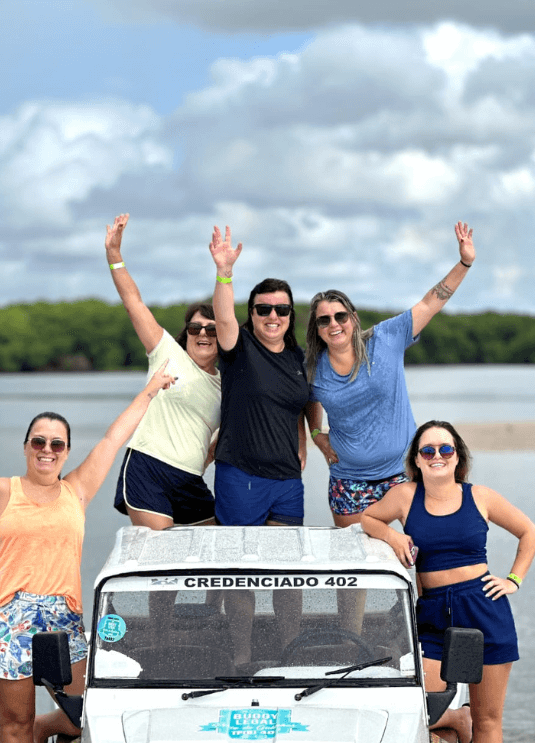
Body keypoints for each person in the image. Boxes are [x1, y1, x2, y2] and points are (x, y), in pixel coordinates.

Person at [0, 363, 176, 743]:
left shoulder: (77, 490)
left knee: (81, 712)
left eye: (56, 444)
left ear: (66, 452)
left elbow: (113, 438)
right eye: (39, 442)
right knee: (13, 724)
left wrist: (151, 389)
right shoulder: (1, 491)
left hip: (61, 617)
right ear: (26, 447)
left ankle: (41, 729)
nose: (47, 450)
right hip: (4, 618)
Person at [361, 420, 535, 743]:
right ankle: (459, 718)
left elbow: (529, 532)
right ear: (417, 459)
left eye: (446, 449)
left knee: (489, 718)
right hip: (434, 612)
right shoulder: (404, 496)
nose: (437, 456)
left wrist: (513, 580)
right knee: (420, 707)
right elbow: (368, 518)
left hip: (484, 607)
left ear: (458, 457)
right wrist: (394, 538)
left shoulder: (481, 497)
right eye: (428, 450)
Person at [306, 223, 476, 526]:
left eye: (340, 316)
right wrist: (317, 434)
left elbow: (430, 302)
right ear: (316, 329)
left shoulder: (386, 338)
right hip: (349, 482)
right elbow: (306, 399)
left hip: (405, 474)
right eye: (324, 320)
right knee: (356, 563)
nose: (334, 324)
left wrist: (464, 263)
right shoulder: (313, 368)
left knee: (421, 554)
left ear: (354, 319)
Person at [208, 226, 315, 663]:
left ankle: (290, 654)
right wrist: (224, 273)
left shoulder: (297, 360)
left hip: (286, 481)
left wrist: (309, 438)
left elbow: (301, 406)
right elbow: (224, 317)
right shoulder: (239, 347)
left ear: (291, 315)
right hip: (241, 477)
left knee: (288, 577)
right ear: (252, 313)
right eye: (264, 308)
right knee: (242, 574)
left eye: (282, 309)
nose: (273, 316)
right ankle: (241, 656)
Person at [106, 214, 221, 529]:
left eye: (212, 330)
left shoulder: (227, 384)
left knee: (217, 546)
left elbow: (216, 443)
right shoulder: (167, 352)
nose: (203, 334)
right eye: (196, 327)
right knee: (158, 551)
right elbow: (134, 302)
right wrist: (114, 256)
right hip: (148, 468)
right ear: (187, 333)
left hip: (190, 480)